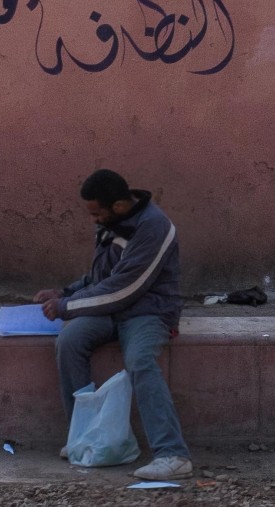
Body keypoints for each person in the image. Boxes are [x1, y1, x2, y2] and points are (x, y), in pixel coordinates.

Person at [34, 169, 192, 480]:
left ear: (118, 206)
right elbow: (102, 278)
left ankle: (172, 454)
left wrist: (67, 306)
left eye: (96, 213)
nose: (93, 219)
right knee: (70, 341)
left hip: (148, 311)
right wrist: (65, 292)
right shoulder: (113, 222)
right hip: (111, 310)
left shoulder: (154, 227)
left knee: (140, 360)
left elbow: (126, 288)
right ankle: (84, 437)